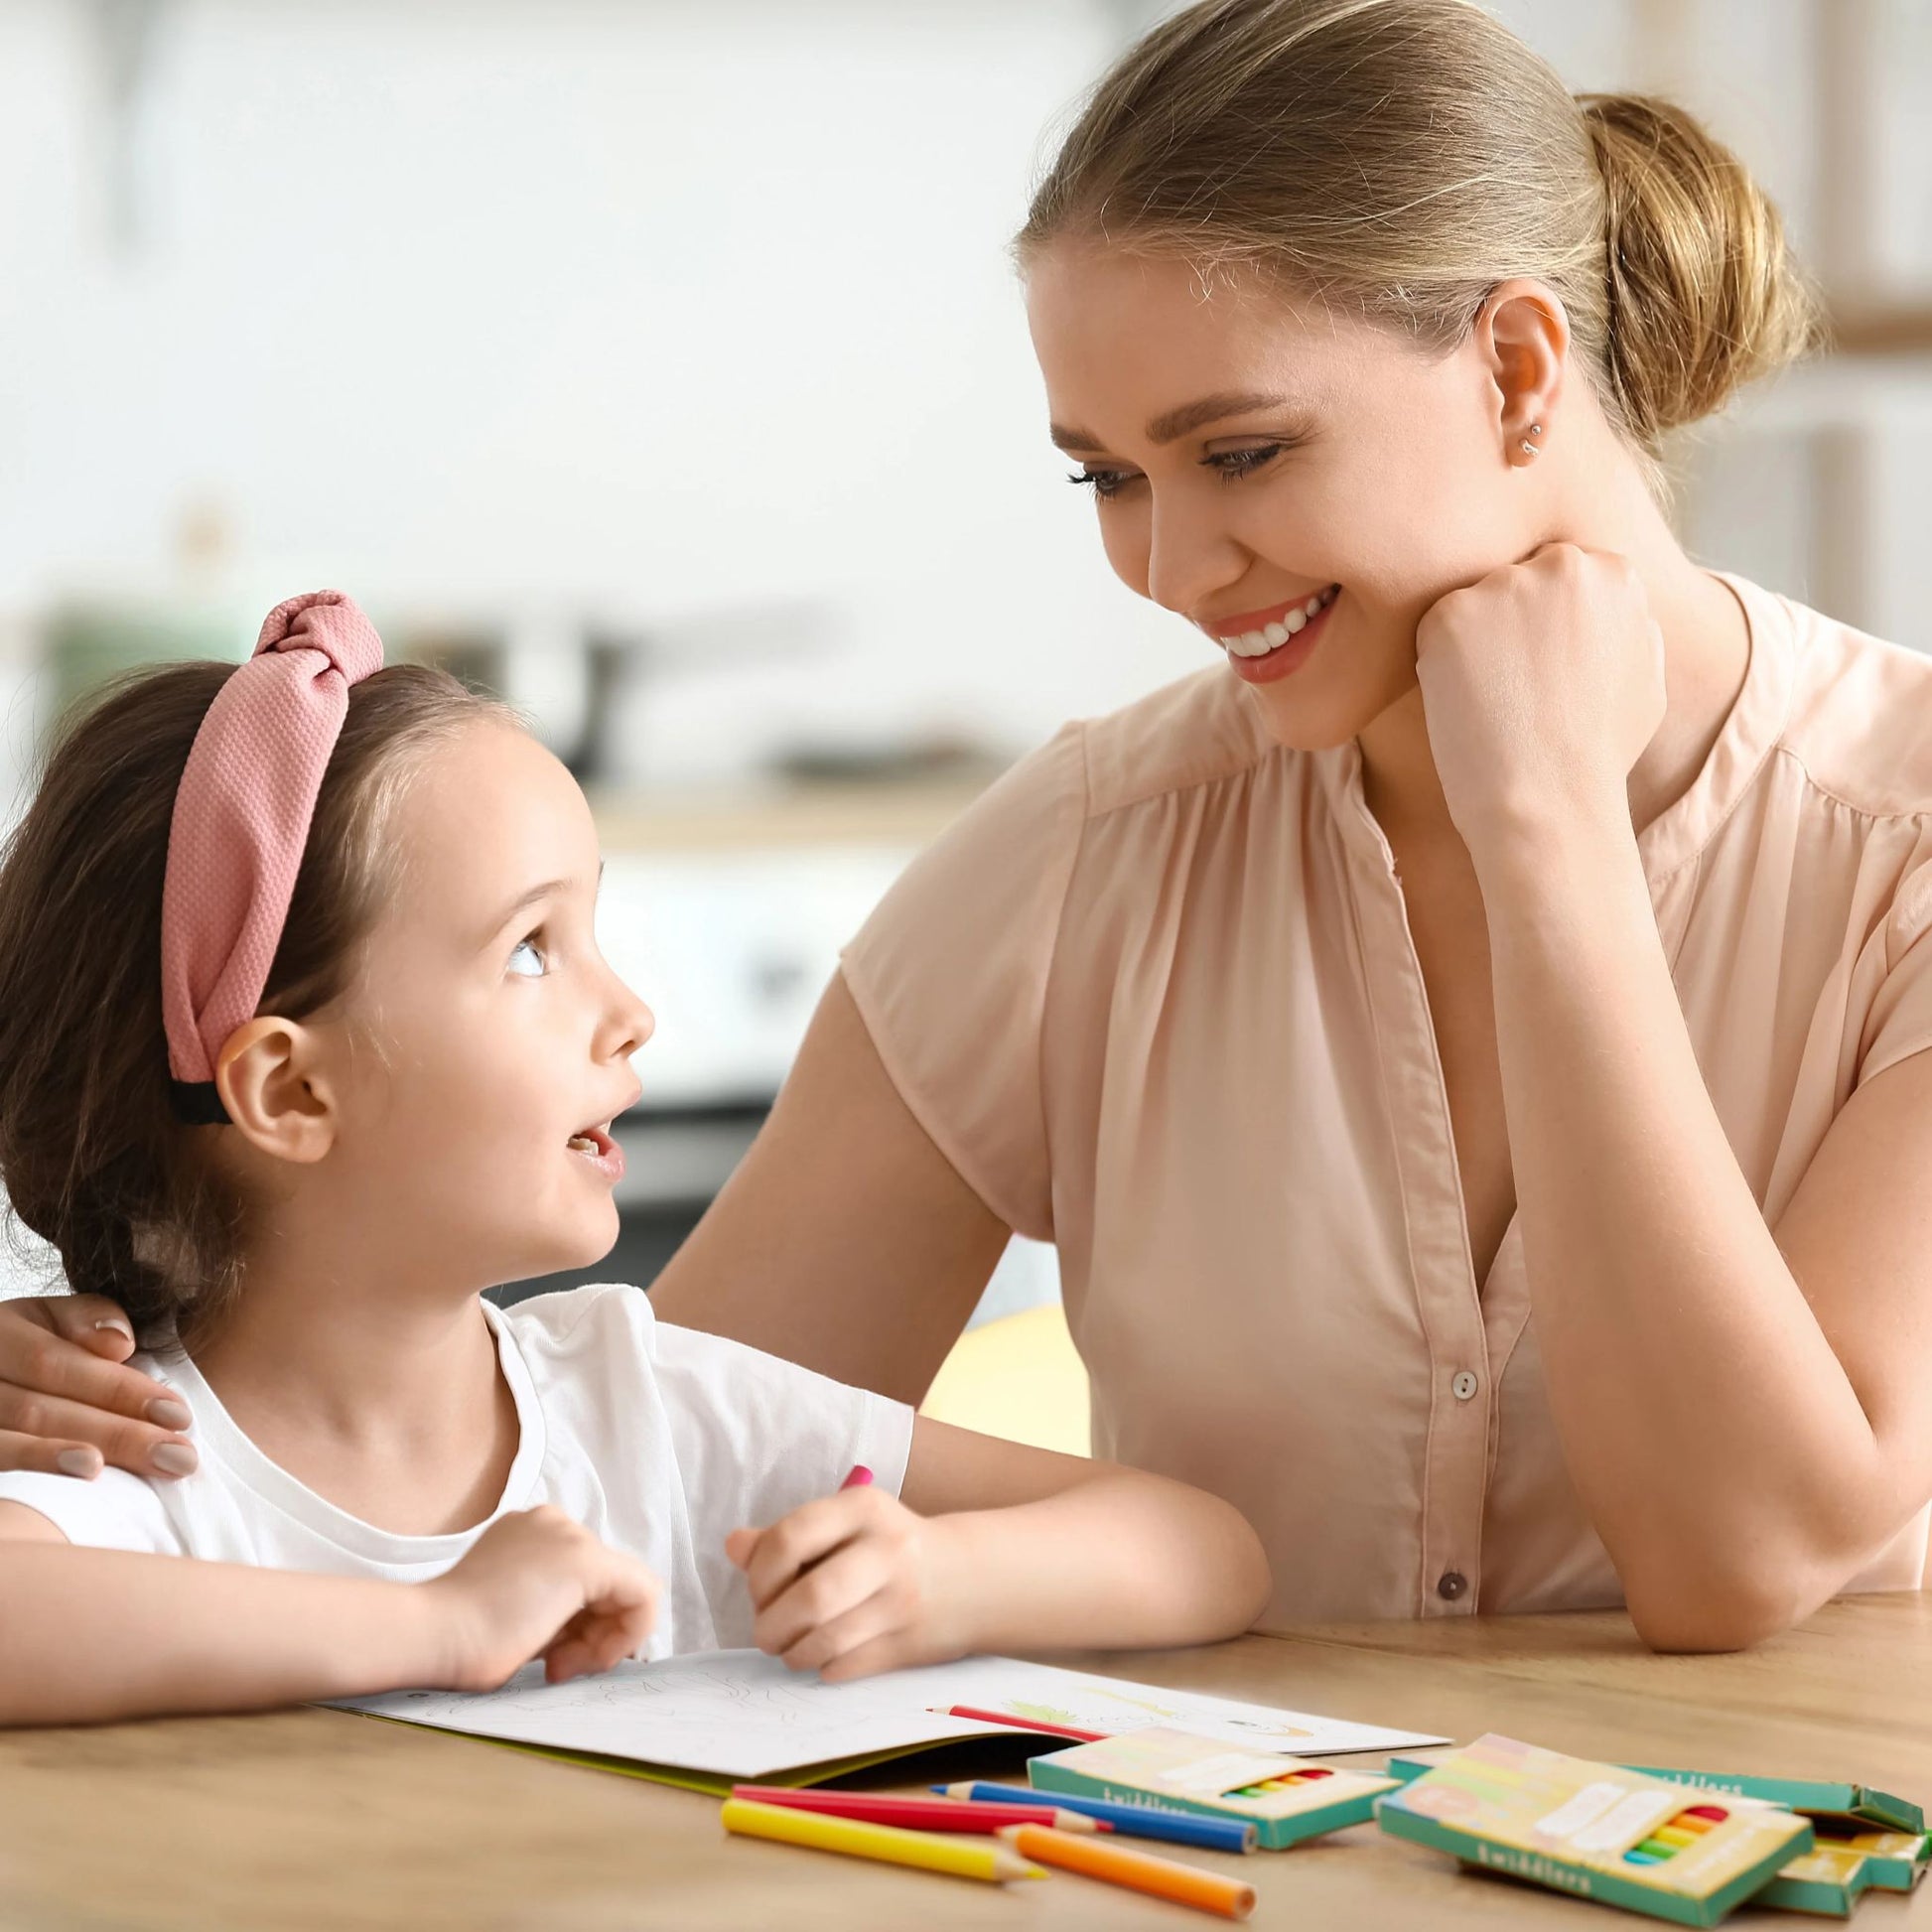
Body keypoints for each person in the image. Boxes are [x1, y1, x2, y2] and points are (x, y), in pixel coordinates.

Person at [7, 0, 1931, 1652]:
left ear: (1516, 366)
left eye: (1240, 451)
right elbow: (639, 1480)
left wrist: (1550, 839)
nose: (1170, 566)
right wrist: (167, 1411)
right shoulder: (1087, 854)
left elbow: (1738, 1557)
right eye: (1107, 476)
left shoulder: (1900, 837)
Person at [0, 592, 1269, 1727]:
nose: (630, 1010)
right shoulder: (127, 1446)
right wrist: (441, 1625)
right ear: (291, 1086)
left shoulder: (647, 1407)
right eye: (532, 950)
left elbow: (1201, 1545)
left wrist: (946, 1577)